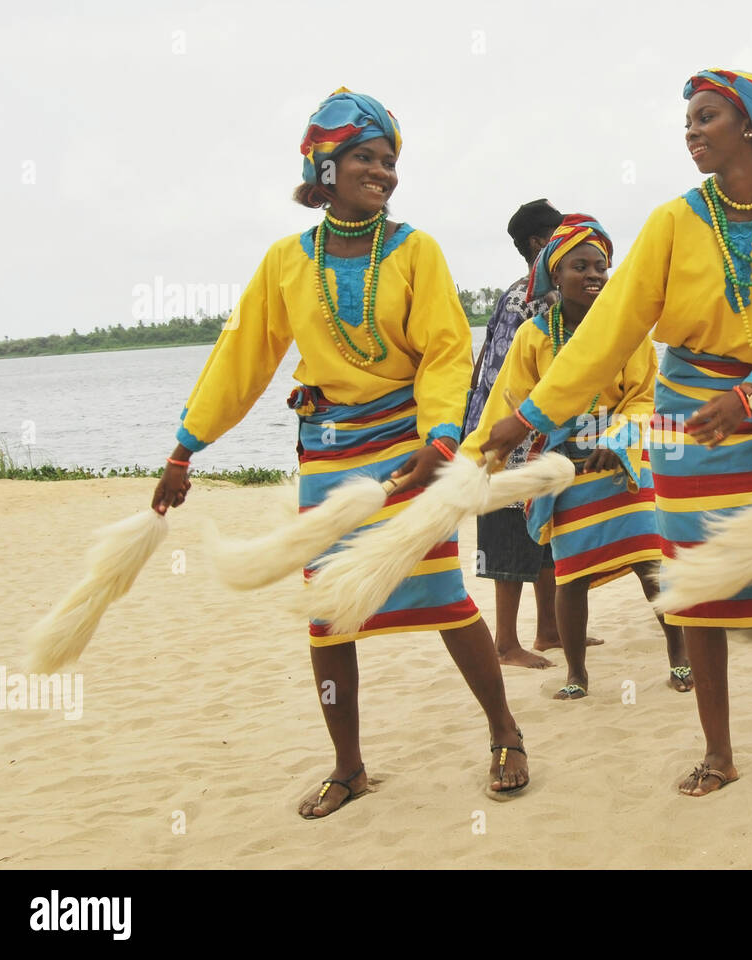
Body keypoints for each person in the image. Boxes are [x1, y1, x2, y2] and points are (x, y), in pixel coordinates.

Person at [477, 69, 752, 795]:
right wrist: (527, 417)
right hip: (693, 421)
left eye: (708, 116)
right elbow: (609, 330)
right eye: (687, 119)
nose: (691, 129)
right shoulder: (672, 221)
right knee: (699, 586)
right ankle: (719, 752)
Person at [151, 88, 530, 816]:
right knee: (328, 614)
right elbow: (241, 359)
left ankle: (505, 730)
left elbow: (447, 353)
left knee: (445, 596)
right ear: (325, 164)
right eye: (366, 157)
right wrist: (184, 449)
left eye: (390, 160)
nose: (384, 172)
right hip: (327, 452)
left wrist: (441, 439)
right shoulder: (286, 262)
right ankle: (349, 764)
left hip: (410, 445)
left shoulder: (416, 249)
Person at [462, 215, 691, 699]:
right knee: (571, 576)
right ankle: (577, 675)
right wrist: (470, 463)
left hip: (623, 467)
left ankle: (681, 660)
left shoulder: (627, 333)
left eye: (601, 267)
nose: (593, 275)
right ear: (554, 274)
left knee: (650, 562)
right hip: (564, 469)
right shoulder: (532, 336)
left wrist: (618, 440)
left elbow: (645, 399)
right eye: (579, 266)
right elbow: (511, 402)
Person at [463, 199, 572, 670]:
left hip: (535, 433)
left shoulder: (550, 295)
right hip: (508, 436)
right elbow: (509, 377)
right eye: (562, 235)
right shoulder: (525, 296)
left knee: (544, 531)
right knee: (509, 535)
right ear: (539, 243)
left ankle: (549, 630)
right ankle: (506, 643)